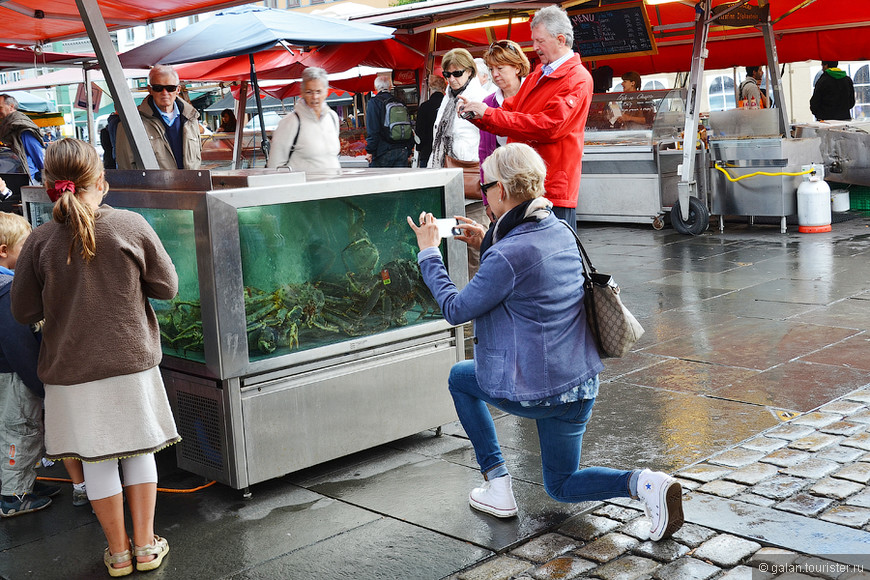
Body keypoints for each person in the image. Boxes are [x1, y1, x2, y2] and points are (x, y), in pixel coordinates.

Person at [407, 142, 684, 541]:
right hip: (581, 383)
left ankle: (498, 485)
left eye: (483, 189)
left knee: (459, 377)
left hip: (537, 392)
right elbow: (525, 267)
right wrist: (486, 239)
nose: (481, 195)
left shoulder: (507, 255)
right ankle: (645, 484)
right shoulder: (559, 228)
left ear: (501, 190)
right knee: (561, 483)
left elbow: (455, 308)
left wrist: (429, 253)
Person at [11, 138, 180, 577]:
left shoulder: (38, 242)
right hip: (131, 363)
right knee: (139, 452)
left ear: (48, 185)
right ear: (101, 182)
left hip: (70, 370)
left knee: (96, 458)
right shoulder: (130, 225)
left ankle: (119, 554)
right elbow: (168, 287)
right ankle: (146, 547)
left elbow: (23, 311)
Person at [457, 4, 594, 229]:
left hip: (551, 189)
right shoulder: (539, 73)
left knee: (552, 256)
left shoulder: (578, 79)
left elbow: (550, 127)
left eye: (540, 41)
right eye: (534, 40)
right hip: (525, 186)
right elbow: (513, 112)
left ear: (560, 40)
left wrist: (488, 113)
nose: (535, 47)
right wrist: (477, 115)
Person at [0, 212, 62, 517]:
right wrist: (38, 380)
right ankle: (13, 496)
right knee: (20, 431)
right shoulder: (7, 290)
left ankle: (23, 483)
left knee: (12, 430)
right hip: (14, 376)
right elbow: (18, 343)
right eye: (25, 246)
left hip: (5, 375)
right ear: (4, 250)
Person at [429, 48, 490, 275]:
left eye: (457, 73)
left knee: (475, 251)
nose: (452, 79)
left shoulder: (480, 98)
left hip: (471, 184)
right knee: (456, 248)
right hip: (449, 184)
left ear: (470, 72)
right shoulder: (448, 99)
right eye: (447, 74)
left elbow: (486, 142)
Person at [478, 40, 531, 223]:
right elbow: (485, 153)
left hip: (532, 183)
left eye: (500, 68)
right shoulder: (488, 102)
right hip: (502, 187)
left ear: (517, 67)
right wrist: (487, 200)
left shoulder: (533, 96)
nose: (495, 74)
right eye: (491, 69)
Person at [115, 64, 202, 171]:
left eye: (170, 88)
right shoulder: (131, 124)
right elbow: (126, 169)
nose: (164, 93)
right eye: (158, 88)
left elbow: (196, 160)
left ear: (178, 89)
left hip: (190, 185)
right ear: (150, 89)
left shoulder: (191, 119)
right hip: (154, 187)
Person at [267, 67, 340, 173]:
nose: (315, 96)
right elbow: (274, 167)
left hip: (334, 187)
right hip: (305, 188)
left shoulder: (332, 117)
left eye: (318, 91)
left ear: (326, 92)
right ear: (302, 92)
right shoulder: (290, 122)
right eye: (309, 92)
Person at [365, 73, 415, 167]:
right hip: (402, 151)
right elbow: (408, 126)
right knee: (399, 181)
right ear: (390, 87)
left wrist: (370, 151)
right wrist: (409, 150)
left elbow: (373, 130)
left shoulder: (374, 103)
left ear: (376, 87)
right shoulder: (400, 102)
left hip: (383, 151)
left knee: (380, 181)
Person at [0, 94, 45, 184]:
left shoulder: (22, 127)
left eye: (0, 107)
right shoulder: (5, 127)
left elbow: (39, 156)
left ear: (11, 107)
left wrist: (45, 178)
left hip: (27, 179)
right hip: (9, 177)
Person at [416, 75, 447, 169]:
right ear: (444, 89)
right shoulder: (448, 105)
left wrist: (419, 148)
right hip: (445, 153)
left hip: (427, 151)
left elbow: (419, 131)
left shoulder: (424, 106)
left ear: (430, 89)